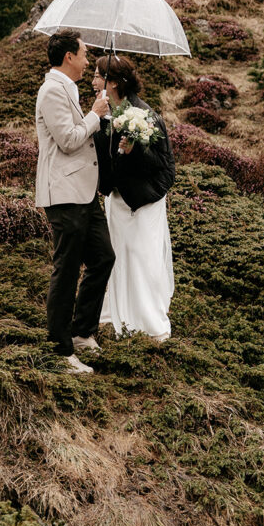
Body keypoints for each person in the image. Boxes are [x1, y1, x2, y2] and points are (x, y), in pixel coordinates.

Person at [35, 29, 114, 374]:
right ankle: (60, 350)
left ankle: (83, 332)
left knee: (103, 257)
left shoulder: (68, 89)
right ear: (68, 56)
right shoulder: (52, 90)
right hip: (64, 194)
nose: (87, 61)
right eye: (84, 54)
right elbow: (68, 140)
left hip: (84, 191)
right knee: (66, 271)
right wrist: (95, 115)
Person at [92, 55, 175, 341]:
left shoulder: (146, 115)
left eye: (97, 76)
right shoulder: (103, 113)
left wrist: (133, 152)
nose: (92, 82)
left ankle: (147, 320)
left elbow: (163, 166)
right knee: (117, 257)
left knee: (142, 258)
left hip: (142, 204)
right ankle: (117, 313)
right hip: (116, 200)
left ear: (112, 82)